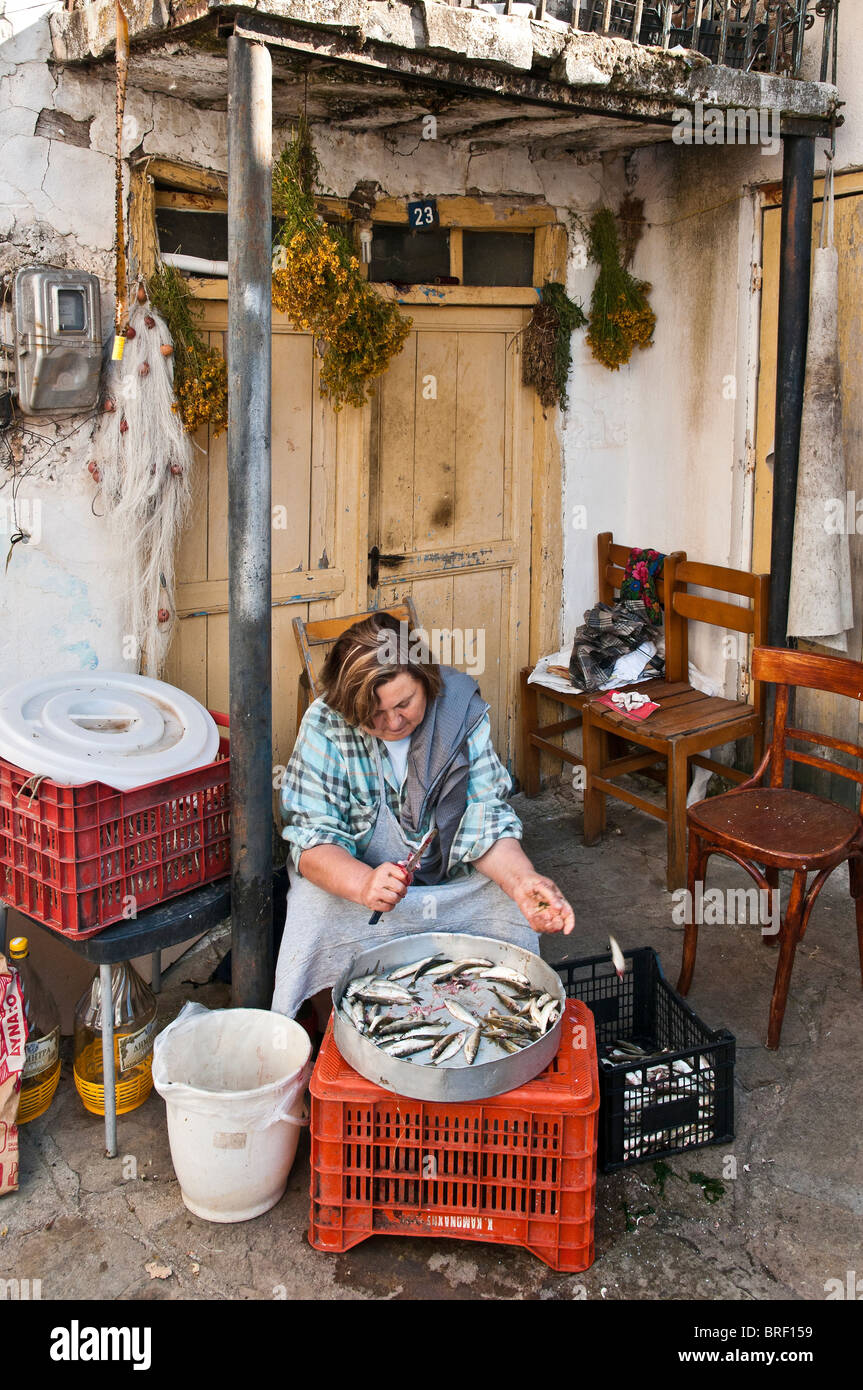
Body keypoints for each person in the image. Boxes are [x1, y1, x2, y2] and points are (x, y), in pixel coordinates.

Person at [272, 613, 574, 1024]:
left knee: (504, 897)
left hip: (450, 884)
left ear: (425, 679)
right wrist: (364, 883)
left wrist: (522, 880)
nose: (392, 723)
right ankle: (341, 1030)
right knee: (313, 906)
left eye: (404, 704)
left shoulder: (460, 712)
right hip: (365, 887)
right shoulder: (326, 724)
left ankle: (491, 1016)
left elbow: (485, 820)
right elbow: (312, 840)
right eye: (373, 714)